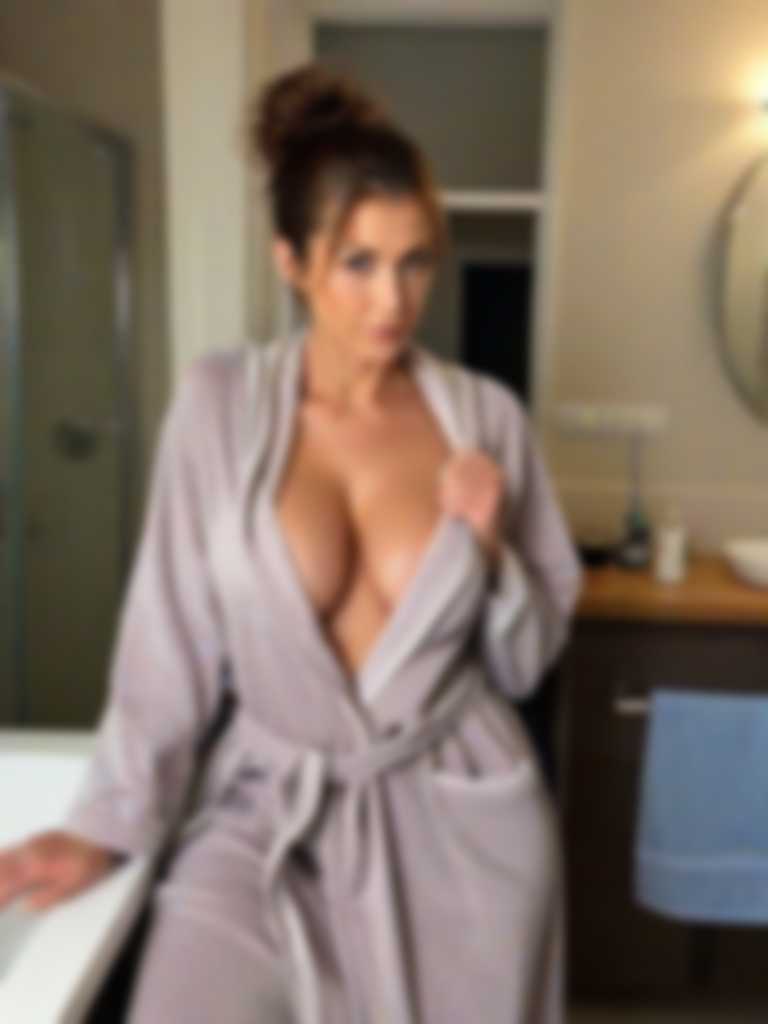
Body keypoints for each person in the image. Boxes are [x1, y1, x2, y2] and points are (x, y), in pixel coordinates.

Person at [0, 63, 583, 1023]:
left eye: (416, 261)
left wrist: (490, 554)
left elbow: (524, 662)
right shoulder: (219, 408)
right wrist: (105, 826)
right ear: (291, 262)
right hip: (270, 812)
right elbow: (166, 643)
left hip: (461, 823)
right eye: (358, 262)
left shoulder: (486, 420)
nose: (392, 299)